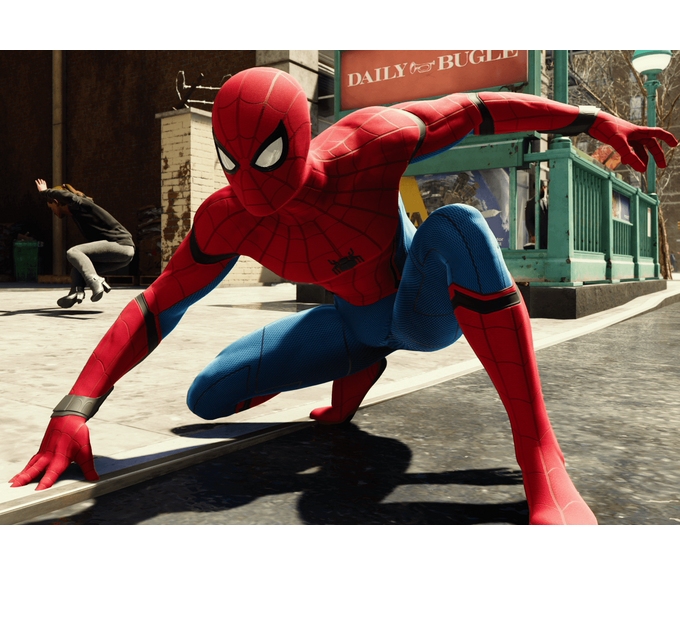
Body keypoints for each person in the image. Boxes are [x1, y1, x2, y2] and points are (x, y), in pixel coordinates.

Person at [12, 68, 677, 525]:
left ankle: (542, 460)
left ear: (300, 137)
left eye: (266, 158)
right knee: (206, 400)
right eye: (233, 163)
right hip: (352, 326)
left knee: (460, 226)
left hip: (417, 312)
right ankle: (356, 373)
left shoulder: (373, 143)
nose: (253, 186)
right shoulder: (226, 218)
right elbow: (159, 304)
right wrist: (75, 409)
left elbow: (480, 108)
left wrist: (593, 119)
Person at [35, 179, 135, 307]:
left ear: (56, 202)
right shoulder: (77, 212)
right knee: (77, 268)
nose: (53, 212)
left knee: (73, 252)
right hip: (122, 255)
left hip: (120, 245)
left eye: (51, 208)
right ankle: (76, 292)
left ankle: (95, 280)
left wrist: (45, 192)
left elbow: (68, 196)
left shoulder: (80, 204)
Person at [524, 181, 548, 249]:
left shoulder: (550, 201)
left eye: (542, 188)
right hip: (539, 236)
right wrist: (533, 235)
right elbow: (529, 221)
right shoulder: (530, 203)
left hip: (550, 235)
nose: (541, 190)